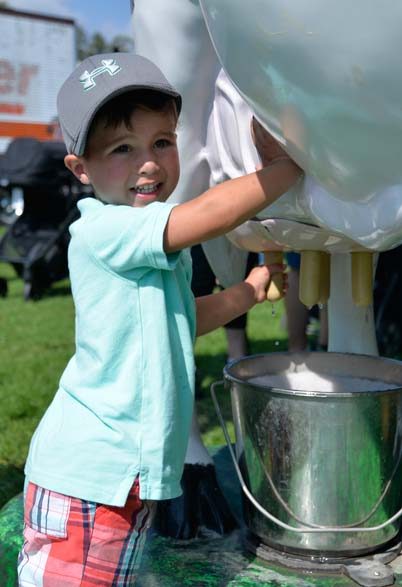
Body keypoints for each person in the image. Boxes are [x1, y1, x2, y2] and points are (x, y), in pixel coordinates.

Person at [17, 53, 302, 586]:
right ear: (81, 170)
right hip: (90, 479)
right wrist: (284, 171)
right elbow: (204, 214)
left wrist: (247, 290)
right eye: (122, 149)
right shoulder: (105, 229)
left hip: (122, 479)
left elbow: (180, 319)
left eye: (162, 143)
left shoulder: (143, 242)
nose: (148, 163)